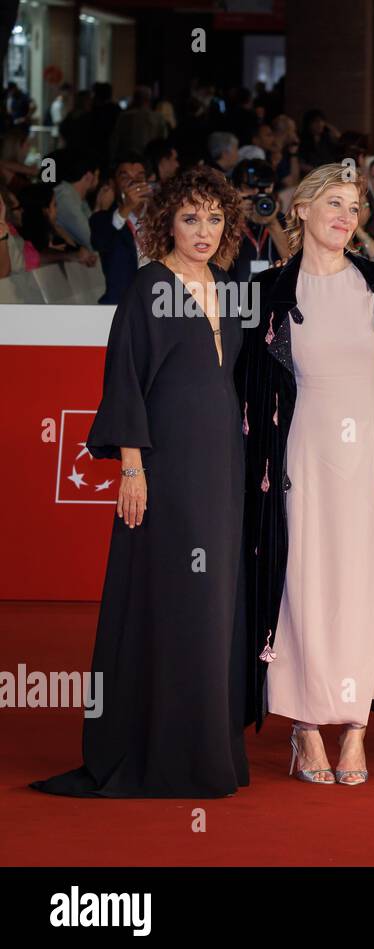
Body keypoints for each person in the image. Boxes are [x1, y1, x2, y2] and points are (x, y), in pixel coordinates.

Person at [31, 167, 249, 797]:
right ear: (166, 224)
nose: (203, 232)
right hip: (166, 464)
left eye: (214, 219)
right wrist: (133, 467)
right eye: (190, 219)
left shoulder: (230, 287)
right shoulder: (150, 287)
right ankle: (158, 751)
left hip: (222, 467)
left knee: (214, 606)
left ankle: (206, 750)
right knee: (170, 597)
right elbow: (125, 379)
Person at [237, 163, 374, 786]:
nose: (347, 215)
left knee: (366, 583)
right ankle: (307, 727)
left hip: (370, 450)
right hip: (301, 451)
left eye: (355, 206)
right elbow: (252, 387)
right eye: (334, 203)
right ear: (303, 211)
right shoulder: (269, 291)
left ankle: (357, 726)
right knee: (304, 581)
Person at [90, 155, 151, 305]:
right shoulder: (103, 219)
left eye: (139, 177)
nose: (134, 183)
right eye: (125, 177)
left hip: (159, 303)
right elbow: (101, 242)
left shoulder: (160, 217)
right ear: (113, 184)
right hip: (121, 306)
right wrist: (126, 207)